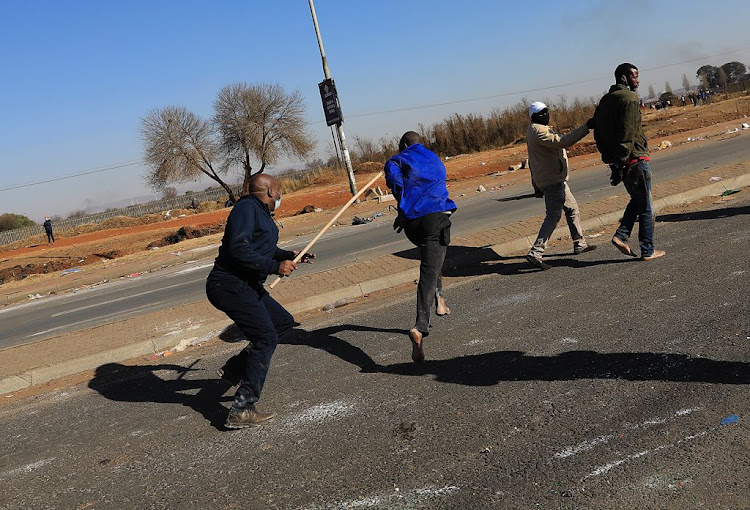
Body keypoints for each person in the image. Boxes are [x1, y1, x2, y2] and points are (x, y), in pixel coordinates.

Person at [205, 173, 315, 429]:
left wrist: (291, 255)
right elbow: (239, 248)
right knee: (266, 337)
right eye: (278, 191)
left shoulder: (259, 213)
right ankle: (242, 409)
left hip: (246, 285)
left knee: (282, 322)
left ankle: (235, 370)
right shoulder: (245, 209)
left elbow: (261, 247)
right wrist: (276, 267)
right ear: (270, 191)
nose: (280, 196)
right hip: (230, 286)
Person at [385, 131, 456, 363]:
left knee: (432, 257)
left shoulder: (398, 159)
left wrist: (402, 202)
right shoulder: (434, 158)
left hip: (413, 225)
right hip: (435, 218)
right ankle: (420, 326)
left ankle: (441, 301)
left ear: (404, 145)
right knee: (429, 268)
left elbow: (394, 177)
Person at [593, 63, 665, 261]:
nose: (637, 80)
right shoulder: (629, 99)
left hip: (621, 161)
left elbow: (599, 133)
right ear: (623, 78)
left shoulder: (605, 101)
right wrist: (623, 160)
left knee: (638, 200)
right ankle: (648, 249)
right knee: (647, 206)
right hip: (635, 159)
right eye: (634, 76)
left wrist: (614, 163)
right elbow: (628, 133)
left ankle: (622, 236)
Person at [525, 102, 596, 270]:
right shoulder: (538, 131)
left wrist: (536, 184)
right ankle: (536, 252)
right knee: (553, 216)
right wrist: (587, 127)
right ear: (535, 116)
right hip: (552, 180)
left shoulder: (536, 130)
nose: (547, 115)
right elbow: (562, 142)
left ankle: (580, 243)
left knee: (572, 209)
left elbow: (533, 161)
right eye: (543, 112)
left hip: (555, 178)